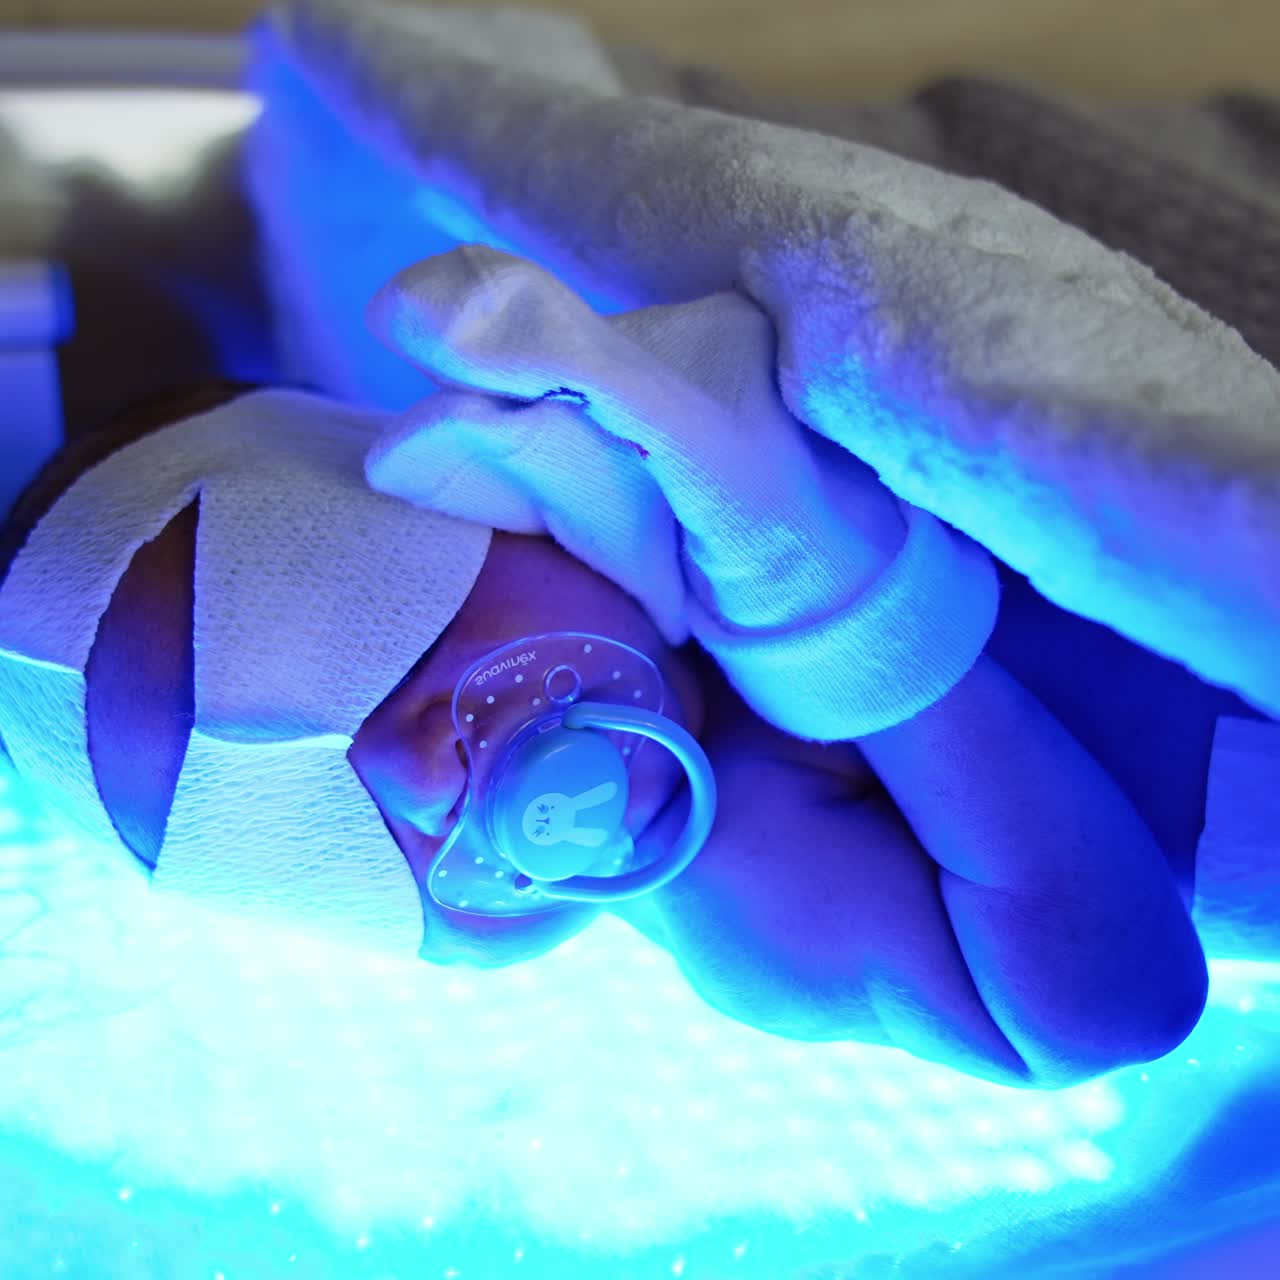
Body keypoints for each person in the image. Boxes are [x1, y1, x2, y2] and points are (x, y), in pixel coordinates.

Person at [0, 255, 1266, 1092]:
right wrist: (843, 624)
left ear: (462, 474)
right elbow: (1111, 1006)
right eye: (313, 838)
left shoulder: (678, 425)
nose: (412, 769)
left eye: (371, 628)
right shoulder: (741, 888)